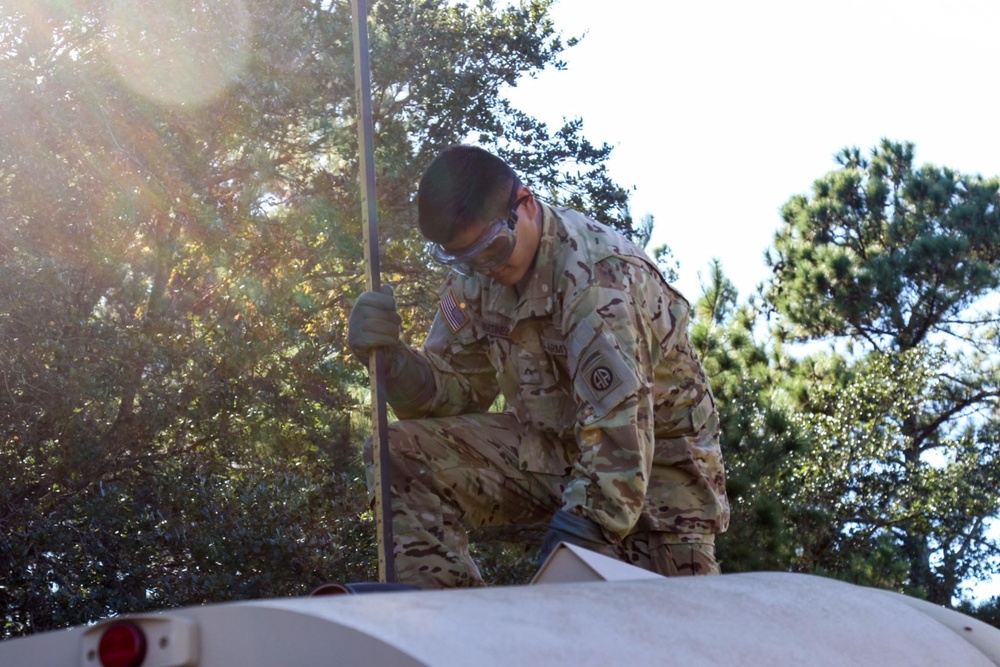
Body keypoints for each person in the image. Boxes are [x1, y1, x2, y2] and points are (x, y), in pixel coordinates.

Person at [348, 145, 729, 588]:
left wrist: (572, 545)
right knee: (398, 453)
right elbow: (454, 392)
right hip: (554, 456)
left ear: (524, 204)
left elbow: (620, 432)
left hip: (658, 489)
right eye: (463, 259)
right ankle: (447, 630)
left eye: (493, 249)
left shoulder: (598, 281)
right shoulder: (476, 279)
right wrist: (392, 361)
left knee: (670, 645)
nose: (484, 268)